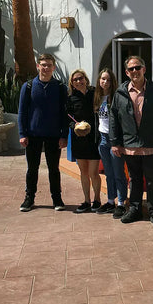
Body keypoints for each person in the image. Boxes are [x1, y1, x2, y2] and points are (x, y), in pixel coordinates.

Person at [109, 56, 153, 228]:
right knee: (134, 179)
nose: (135, 71)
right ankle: (135, 209)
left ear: (144, 69)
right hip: (129, 145)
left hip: (151, 145)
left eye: (138, 67)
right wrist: (115, 142)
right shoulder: (120, 92)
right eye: (131, 69)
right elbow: (114, 118)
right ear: (126, 72)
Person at [18, 53, 68, 212]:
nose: (46, 68)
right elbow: (22, 112)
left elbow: (64, 113)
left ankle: (57, 198)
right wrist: (22, 134)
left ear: (53, 68)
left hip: (54, 135)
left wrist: (64, 135)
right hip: (33, 135)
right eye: (43, 65)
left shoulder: (60, 88)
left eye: (49, 65)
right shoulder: (28, 86)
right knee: (32, 169)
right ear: (38, 66)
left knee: (54, 169)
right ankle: (29, 198)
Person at [66, 69, 103, 213]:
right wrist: (74, 125)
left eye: (80, 78)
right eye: (75, 80)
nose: (78, 81)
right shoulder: (71, 99)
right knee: (83, 172)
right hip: (79, 139)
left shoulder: (95, 94)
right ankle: (87, 200)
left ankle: (97, 200)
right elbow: (68, 117)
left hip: (93, 138)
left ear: (85, 79)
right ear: (72, 83)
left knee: (94, 172)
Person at [93, 68, 128, 217]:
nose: (105, 82)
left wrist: (118, 142)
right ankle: (110, 201)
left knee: (118, 172)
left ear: (112, 81)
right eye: (102, 79)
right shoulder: (97, 97)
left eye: (107, 79)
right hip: (103, 139)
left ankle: (121, 203)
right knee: (108, 173)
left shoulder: (116, 97)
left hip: (115, 140)